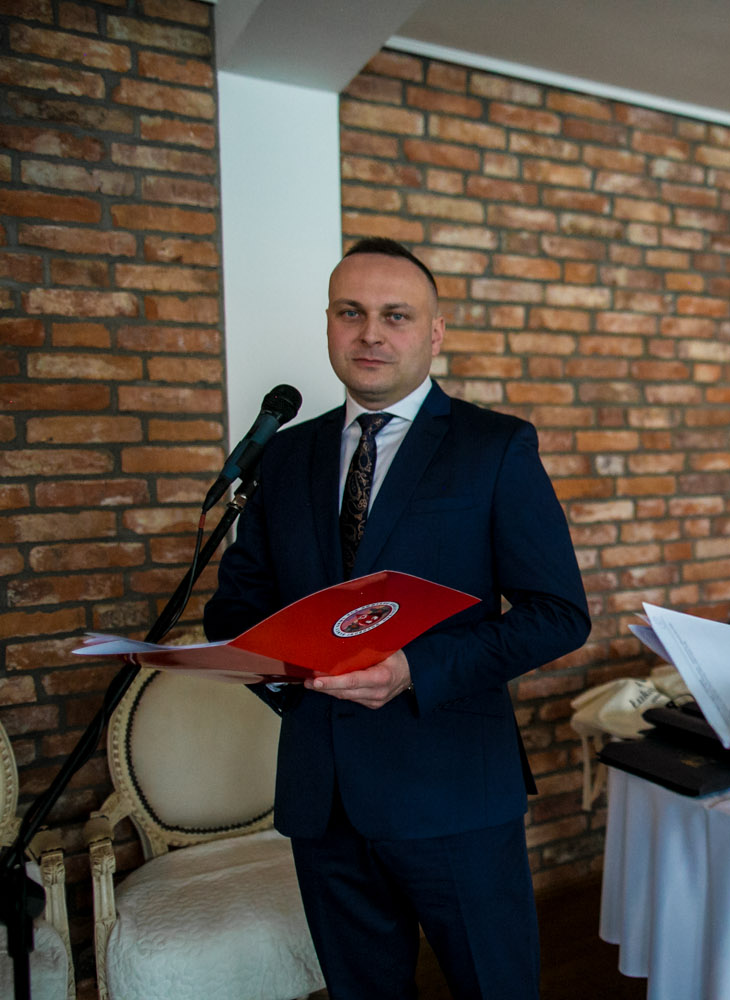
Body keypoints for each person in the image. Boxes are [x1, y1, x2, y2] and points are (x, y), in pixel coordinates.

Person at [205, 237, 590, 999]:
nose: (371, 333)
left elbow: (557, 615)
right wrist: (283, 667)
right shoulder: (284, 456)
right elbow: (237, 604)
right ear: (328, 324)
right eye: (351, 313)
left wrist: (415, 668)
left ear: (434, 332)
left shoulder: (495, 446)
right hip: (323, 797)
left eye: (396, 315)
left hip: (453, 791)